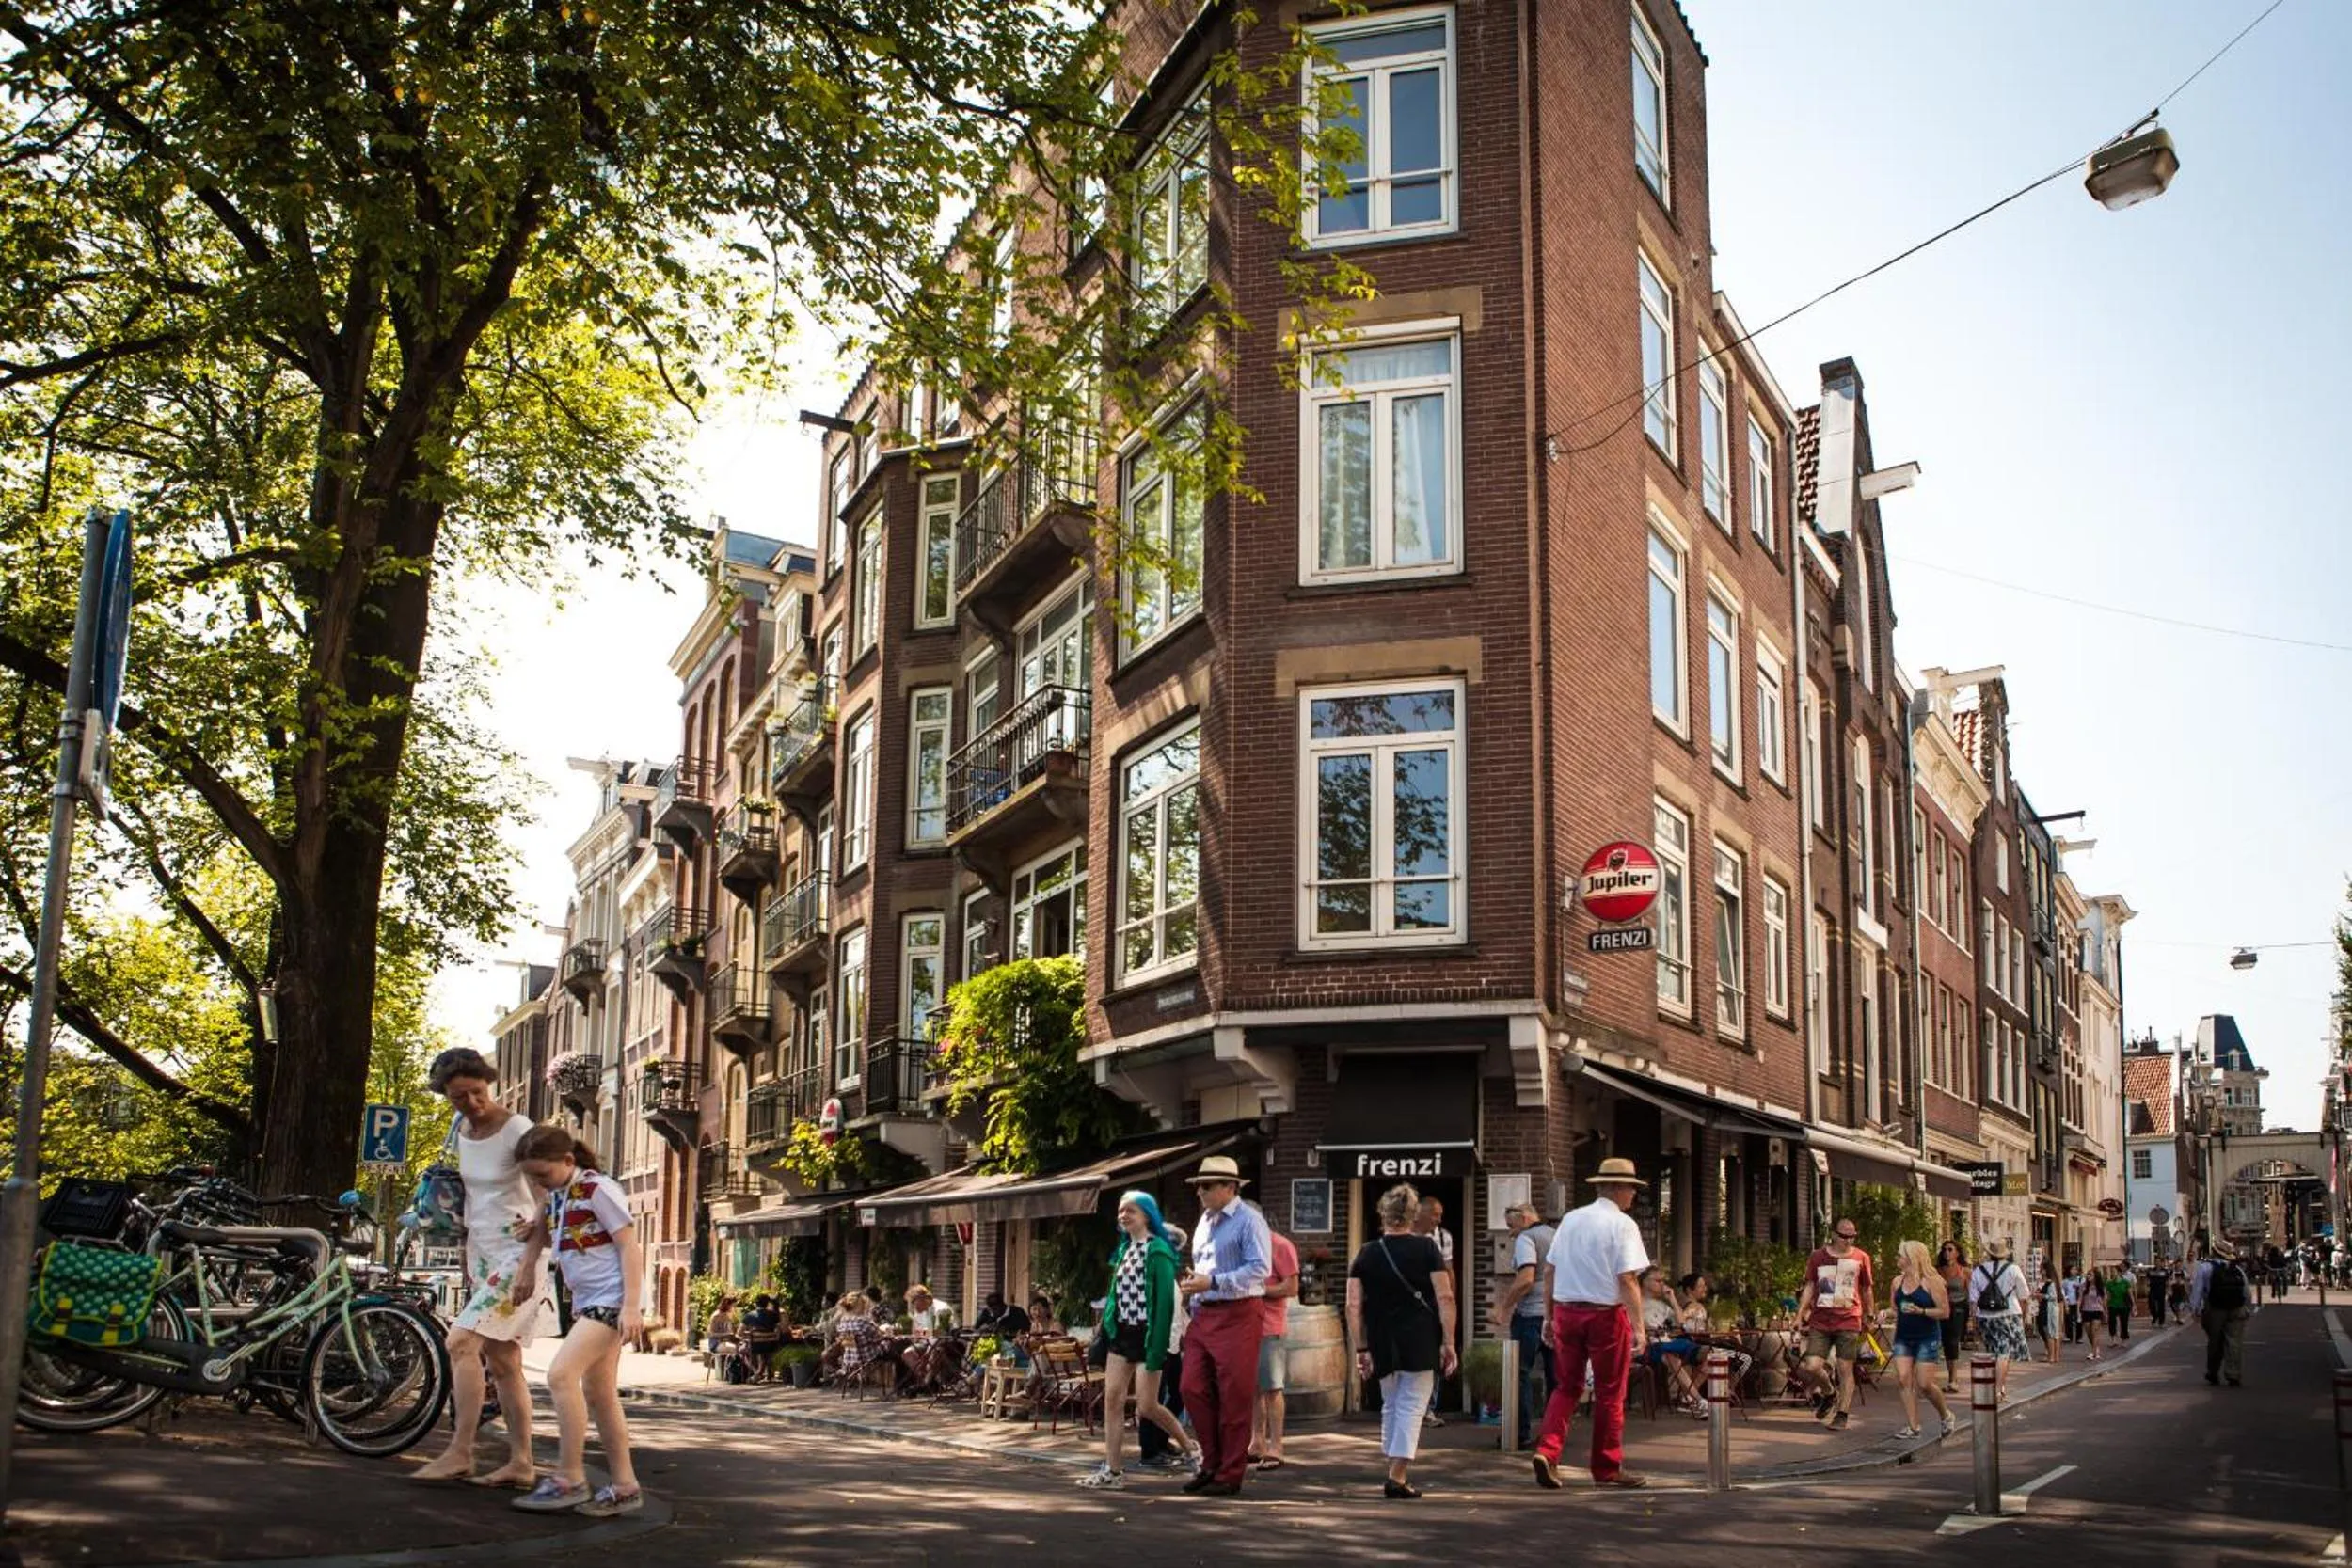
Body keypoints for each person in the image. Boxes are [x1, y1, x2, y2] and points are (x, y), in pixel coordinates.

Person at [410, 1048, 545, 1487]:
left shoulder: (518, 1130)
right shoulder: (460, 1129)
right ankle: (522, 1463)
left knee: (460, 1343)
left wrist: (529, 1262)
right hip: (482, 1253)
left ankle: (460, 1451)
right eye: (458, 1097)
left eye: (477, 1092)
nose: (470, 1103)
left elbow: (550, 1194)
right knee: (504, 1361)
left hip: (516, 1254)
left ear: (490, 1083)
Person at [510, 1128, 643, 1516]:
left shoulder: (599, 1189)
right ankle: (625, 1486)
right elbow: (556, 1235)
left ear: (568, 1161)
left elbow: (629, 1245)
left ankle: (569, 1477)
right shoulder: (558, 1196)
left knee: (560, 1375)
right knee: (599, 1394)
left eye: (542, 1175)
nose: (537, 1183)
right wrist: (531, 1239)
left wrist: (631, 1306)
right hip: (590, 1302)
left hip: (611, 1300)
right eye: (531, 1177)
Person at [1530, 1158, 1652, 1492]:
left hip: (1567, 1312)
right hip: (1605, 1315)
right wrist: (1639, 1327)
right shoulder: (1623, 1224)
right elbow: (1627, 1279)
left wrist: (1549, 1315)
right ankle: (1606, 1467)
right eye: (1631, 1188)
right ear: (1616, 1188)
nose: (1633, 1195)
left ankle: (1547, 1450)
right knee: (1611, 1392)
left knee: (1566, 1387)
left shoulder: (1571, 1219)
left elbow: (1550, 1270)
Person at [1078, 1192, 1196, 1489]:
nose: (1123, 1216)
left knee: (1147, 1406)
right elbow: (1116, 1296)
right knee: (1113, 1401)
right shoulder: (1123, 1251)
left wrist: (1158, 1346)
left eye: (1130, 1210)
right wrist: (1107, 1327)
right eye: (1120, 1211)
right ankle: (1113, 1471)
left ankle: (1192, 1450)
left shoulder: (1158, 1251)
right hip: (1121, 1335)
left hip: (1147, 1335)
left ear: (1147, 1215)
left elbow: (1165, 1304)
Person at [1347, 1183, 1454, 1498]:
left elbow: (1353, 1304)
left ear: (1383, 1214)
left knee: (1391, 1402)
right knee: (1412, 1404)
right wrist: (1449, 1341)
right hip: (1420, 1335)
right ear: (1412, 1215)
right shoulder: (1427, 1250)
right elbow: (1445, 1297)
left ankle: (1393, 1466)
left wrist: (1361, 1347)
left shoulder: (1367, 1252)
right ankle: (1397, 1474)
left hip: (1381, 1335)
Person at [1181, 1154, 1272, 1497]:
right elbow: (1202, 1270)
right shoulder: (1204, 1222)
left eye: (1206, 1186)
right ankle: (1211, 1463)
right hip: (1204, 1314)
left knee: (1234, 1396)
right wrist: (1195, 1290)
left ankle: (1229, 1473)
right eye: (1199, 1186)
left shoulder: (1250, 1221)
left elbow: (1259, 1269)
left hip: (1238, 1313)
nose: (1200, 1192)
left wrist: (1212, 1282)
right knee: (1191, 1387)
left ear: (1230, 1187)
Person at [1794, 1217, 1875, 1432]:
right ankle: (1830, 1392)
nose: (1848, 1240)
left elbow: (1867, 1288)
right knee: (1811, 1365)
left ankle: (1842, 1414)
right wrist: (1799, 1313)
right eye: (1844, 1236)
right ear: (1834, 1234)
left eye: (1852, 1236)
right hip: (1821, 1319)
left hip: (1849, 1318)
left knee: (1844, 1367)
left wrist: (1870, 1313)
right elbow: (1810, 1285)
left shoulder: (1861, 1258)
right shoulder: (1818, 1256)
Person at [1488, 1202, 1557, 1449]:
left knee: (1520, 1374)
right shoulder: (1556, 1236)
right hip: (1556, 1315)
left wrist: (1503, 1309)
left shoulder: (1526, 1239)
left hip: (1530, 1316)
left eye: (1511, 1226)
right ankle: (1554, 1435)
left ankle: (1520, 1433)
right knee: (1556, 1378)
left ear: (1525, 1217)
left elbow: (1526, 1278)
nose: (1510, 1233)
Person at [1135, 1224, 1195, 1473]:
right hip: (1155, 1345)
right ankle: (1150, 1451)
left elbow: (1176, 1311)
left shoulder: (1168, 1273)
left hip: (1171, 1345)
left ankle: (1161, 1440)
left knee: (1179, 1394)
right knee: (1152, 1399)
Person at [1888, 1241, 1958, 1439]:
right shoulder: (1897, 1282)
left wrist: (1922, 1311)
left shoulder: (1932, 1281)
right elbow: (1895, 1309)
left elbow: (1944, 1312)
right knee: (1903, 1379)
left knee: (1925, 1383)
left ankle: (1946, 1415)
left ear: (1912, 1257)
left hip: (1927, 1337)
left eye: (1900, 1255)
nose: (1897, 1258)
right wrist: (1885, 1313)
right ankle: (1913, 1426)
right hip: (1903, 1336)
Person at [1252, 1226, 1299, 1470]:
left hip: (1270, 1327)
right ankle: (1257, 1442)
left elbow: (1291, 1288)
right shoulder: (1243, 1246)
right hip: (1244, 1328)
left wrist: (1258, 1290)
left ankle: (1277, 1447)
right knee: (1253, 1389)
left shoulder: (1280, 1245)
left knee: (1272, 1388)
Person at [1968, 1239, 2030, 1402]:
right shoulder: (2013, 1269)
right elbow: (2024, 1295)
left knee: (1993, 1352)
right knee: (2004, 1353)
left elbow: (1973, 1298)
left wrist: (1973, 1320)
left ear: (1989, 1254)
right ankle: (1997, 1390)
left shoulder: (1978, 1271)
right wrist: (2023, 1316)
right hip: (2009, 1313)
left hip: (1985, 1316)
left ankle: (2001, 1388)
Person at [1411, 1196, 1455, 1427]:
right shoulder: (1403, 1234)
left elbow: (1448, 1271)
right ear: (1421, 1213)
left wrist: (1451, 1302)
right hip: (1407, 1305)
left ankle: (1428, 1409)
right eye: (1435, 1214)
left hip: (1433, 1303)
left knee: (1433, 1356)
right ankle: (1409, 1408)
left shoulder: (1443, 1237)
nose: (1439, 1219)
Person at [1636, 1268, 1704, 1418]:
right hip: (1649, 1347)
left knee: (1710, 1354)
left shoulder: (1663, 1305)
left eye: (1663, 1281)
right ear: (1645, 1283)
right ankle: (1698, 1400)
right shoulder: (1636, 1303)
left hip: (1668, 1343)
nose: (1662, 1284)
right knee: (1670, 1356)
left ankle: (1689, 1397)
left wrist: (1672, 1298)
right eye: (1658, 1280)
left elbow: (1681, 1323)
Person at [2187, 1241, 2251, 1387]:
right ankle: (2233, 1374)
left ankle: (2213, 1372)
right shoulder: (2237, 1269)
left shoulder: (2205, 1268)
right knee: (2234, 1341)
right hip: (2236, 1308)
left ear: (2213, 1252)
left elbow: (2197, 1290)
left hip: (2215, 1309)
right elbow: (2246, 1291)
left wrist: (2195, 1310)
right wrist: (2247, 1308)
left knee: (2215, 1342)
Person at [1935, 1242, 1972, 1393]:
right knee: (1945, 1343)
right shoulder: (1938, 1271)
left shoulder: (1965, 1271)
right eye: (1944, 1250)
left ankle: (1953, 1379)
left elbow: (1971, 1295)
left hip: (1959, 1309)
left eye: (1950, 1250)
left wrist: (1971, 1318)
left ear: (1957, 1253)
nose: (1947, 1252)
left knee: (1953, 1341)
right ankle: (1950, 1377)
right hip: (1943, 1308)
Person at [740, 1294, 784, 1382]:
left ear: (756, 1304)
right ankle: (764, 1374)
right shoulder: (774, 1315)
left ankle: (756, 1372)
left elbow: (739, 1332)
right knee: (764, 1353)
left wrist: (750, 1335)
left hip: (755, 1346)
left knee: (741, 1350)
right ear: (767, 1304)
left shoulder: (749, 1315)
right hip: (772, 1345)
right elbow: (779, 1329)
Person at [2077, 1266, 2107, 1361]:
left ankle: (2094, 1353)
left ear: (2095, 1276)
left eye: (2091, 1275)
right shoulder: (2083, 1286)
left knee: (2095, 1331)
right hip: (2086, 1310)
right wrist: (2078, 1310)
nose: (2088, 1276)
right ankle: (2095, 1347)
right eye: (2088, 1274)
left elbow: (2104, 1300)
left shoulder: (2100, 1287)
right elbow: (2080, 1299)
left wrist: (2105, 1312)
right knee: (2088, 1331)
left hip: (2097, 1310)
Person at [2106, 1263, 2133, 1343]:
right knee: (2112, 1322)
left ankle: (2124, 1339)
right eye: (2111, 1272)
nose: (2112, 1273)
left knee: (2124, 1323)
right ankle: (2113, 1339)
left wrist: (2133, 1304)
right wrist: (2106, 1305)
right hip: (2112, 1305)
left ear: (2119, 1272)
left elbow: (2130, 1294)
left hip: (2123, 1305)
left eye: (2114, 1271)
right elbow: (2108, 1295)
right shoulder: (2109, 1283)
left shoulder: (2125, 1282)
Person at [2060, 1261, 2083, 1345]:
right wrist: (2065, 1303)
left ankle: (2079, 1337)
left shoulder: (2080, 1280)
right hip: (2069, 1302)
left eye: (2076, 1269)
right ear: (2069, 1270)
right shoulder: (2065, 1281)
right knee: (2068, 1319)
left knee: (2079, 1319)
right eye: (2073, 1269)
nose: (2074, 1271)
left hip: (2078, 1302)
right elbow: (2063, 1292)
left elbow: (2083, 1290)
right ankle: (2069, 1336)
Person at [2142, 1261, 2169, 1327]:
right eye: (2157, 1262)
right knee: (2152, 1305)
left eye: (2159, 1262)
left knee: (2161, 1307)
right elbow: (2147, 1279)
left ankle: (2161, 1322)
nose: (2158, 1263)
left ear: (2161, 1263)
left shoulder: (2165, 1271)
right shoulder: (2151, 1271)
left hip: (2161, 1291)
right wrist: (2146, 1287)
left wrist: (2168, 1290)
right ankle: (2155, 1317)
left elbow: (2167, 1281)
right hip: (2152, 1290)